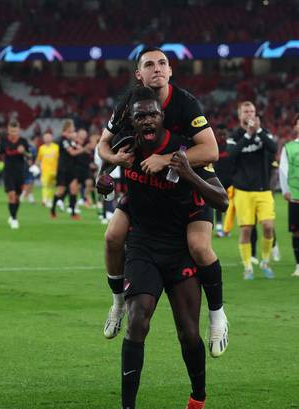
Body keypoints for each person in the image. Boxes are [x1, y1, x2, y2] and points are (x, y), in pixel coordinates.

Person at [97, 86, 228, 409]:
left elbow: (222, 200)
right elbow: (106, 175)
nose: (146, 120)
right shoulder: (126, 147)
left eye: (152, 113)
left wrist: (186, 172)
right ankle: (128, 406)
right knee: (138, 321)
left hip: (178, 246)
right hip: (143, 245)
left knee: (188, 334)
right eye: (140, 115)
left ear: (162, 117)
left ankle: (198, 397)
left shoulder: (183, 150)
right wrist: (104, 184)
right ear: (133, 120)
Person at [226, 101, 277, 279]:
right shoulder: (234, 135)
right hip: (243, 190)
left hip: (263, 189)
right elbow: (231, 154)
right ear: (240, 115)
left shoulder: (264, 133)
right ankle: (248, 267)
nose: (249, 114)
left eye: (252, 111)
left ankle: (265, 261)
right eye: (246, 111)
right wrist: (248, 135)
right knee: (246, 230)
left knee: (269, 227)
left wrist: (259, 132)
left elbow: (273, 148)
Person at [0, 120, 30, 229]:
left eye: (15, 131)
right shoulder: (3, 142)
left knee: (17, 197)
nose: (13, 133)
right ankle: (14, 219)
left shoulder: (23, 141)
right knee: (11, 195)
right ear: (8, 131)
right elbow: (0, 155)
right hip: (8, 172)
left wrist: (24, 152)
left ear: (19, 131)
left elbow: (30, 155)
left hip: (20, 172)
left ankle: (12, 215)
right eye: (11, 131)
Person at [51, 120, 83, 219]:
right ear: (68, 127)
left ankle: (73, 213)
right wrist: (82, 149)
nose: (74, 128)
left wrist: (78, 146)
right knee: (60, 190)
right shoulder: (63, 139)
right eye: (72, 126)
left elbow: (76, 147)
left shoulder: (70, 139)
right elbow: (72, 152)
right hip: (63, 169)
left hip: (71, 168)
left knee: (73, 189)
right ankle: (52, 210)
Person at [280, 114, 299, 277]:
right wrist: (285, 189)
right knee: (296, 232)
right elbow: (283, 170)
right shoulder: (289, 147)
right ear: (295, 126)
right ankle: (298, 265)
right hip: (295, 194)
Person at [35, 131, 59, 206]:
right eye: (46, 137)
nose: (47, 138)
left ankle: (50, 199)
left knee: (52, 186)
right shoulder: (41, 148)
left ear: (52, 138)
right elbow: (38, 159)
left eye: (49, 137)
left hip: (54, 170)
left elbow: (60, 159)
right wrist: (36, 167)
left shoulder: (56, 147)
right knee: (45, 185)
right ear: (43, 138)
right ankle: (45, 200)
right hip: (45, 171)